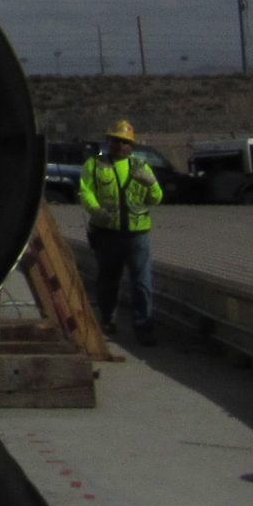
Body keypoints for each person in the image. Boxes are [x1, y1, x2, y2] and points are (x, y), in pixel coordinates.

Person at [77, 119, 164, 345]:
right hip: (107, 233)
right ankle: (108, 319)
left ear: (131, 145)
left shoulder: (140, 167)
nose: (119, 145)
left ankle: (143, 327)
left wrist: (151, 183)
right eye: (115, 140)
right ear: (108, 141)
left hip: (137, 235)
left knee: (142, 283)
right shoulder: (95, 165)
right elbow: (86, 191)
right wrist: (95, 210)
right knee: (108, 280)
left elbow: (156, 198)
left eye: (124, 141)